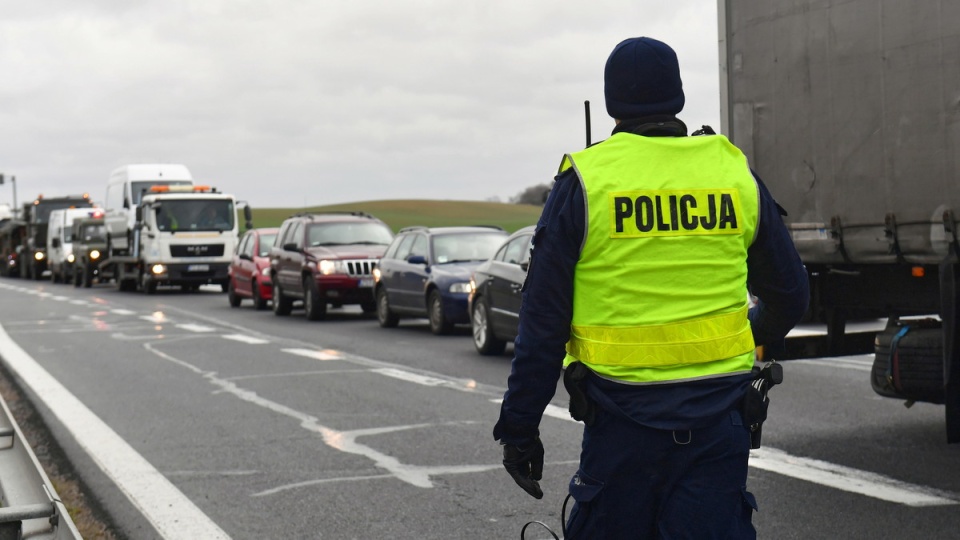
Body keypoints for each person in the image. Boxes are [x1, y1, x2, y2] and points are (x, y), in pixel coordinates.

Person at [493, 37, 810, 539]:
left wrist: (519, 430)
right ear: (677, 97)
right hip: (718, 427)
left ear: (611, 104)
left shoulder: (587, 182)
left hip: (622, 429)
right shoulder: (731, 171)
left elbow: (542, 324)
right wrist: (746, 333)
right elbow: (791, 293)